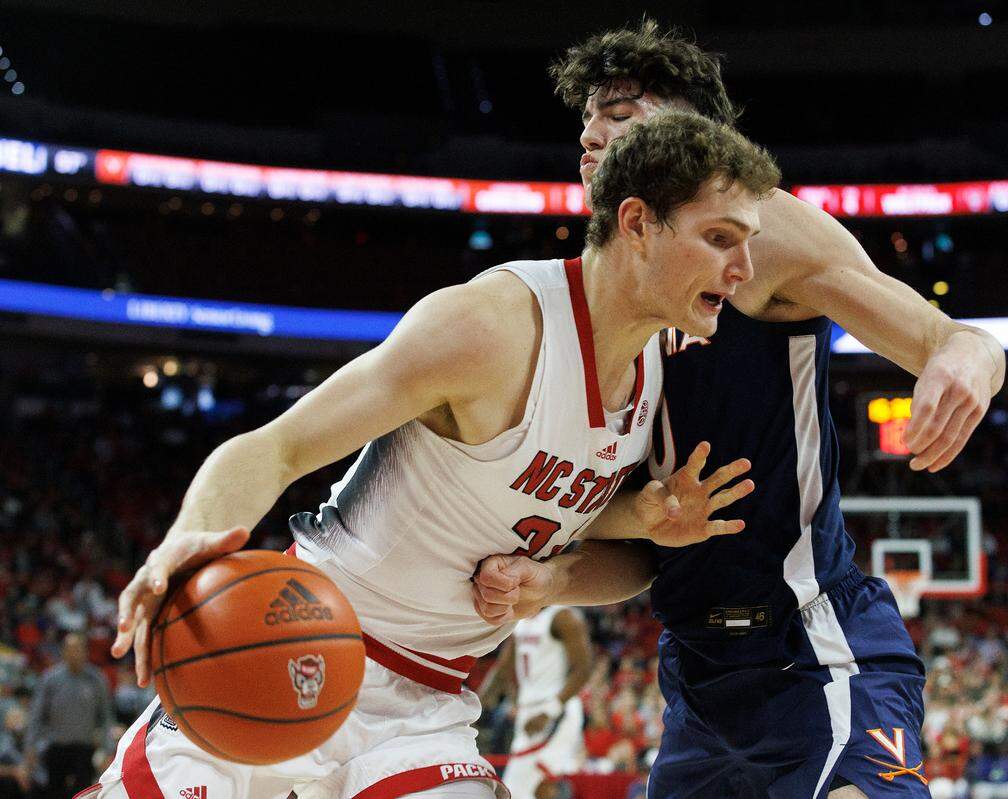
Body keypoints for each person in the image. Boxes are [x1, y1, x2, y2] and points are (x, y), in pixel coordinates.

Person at [93, 111, 780, 799]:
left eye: (747, 243)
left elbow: (619, 554)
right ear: (636, 223)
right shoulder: (491, 330)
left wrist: (624, 534)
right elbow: (274, 448)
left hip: (426, 709)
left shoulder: (665, 371)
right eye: (720, 238)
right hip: (296, 642)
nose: (744, 268)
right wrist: (185, 542)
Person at [471, 20, 1006, 799]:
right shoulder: (598, 295)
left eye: (619, 120)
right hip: (696, 673)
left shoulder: (761, 231)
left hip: (813, 639)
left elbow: (946, 335)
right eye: (586, 126)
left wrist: (964, 360)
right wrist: (552, 581)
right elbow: (648, 541)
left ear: (695, 137)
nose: (591, 139)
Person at [478, 607, 592, 799]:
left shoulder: (563, 617)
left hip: (555, 712)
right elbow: (503, 668)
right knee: (533, 789)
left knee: (527, 787)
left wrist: (549, 711)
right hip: (530, 712)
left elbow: (584, 669)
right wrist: (476, 707)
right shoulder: (521, 619)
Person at [24, 633, 112, 798]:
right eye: (70, 649)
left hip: (84, 749)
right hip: (56, 747)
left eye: (78, 649)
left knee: (82, 794)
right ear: (63, 652)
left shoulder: (97, 679)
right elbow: (36, 716)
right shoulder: (50, 679)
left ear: (86, 652)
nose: (74, 653)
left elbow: (106, 717)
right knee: (54, 792)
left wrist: (107, 750)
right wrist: (31, 747)